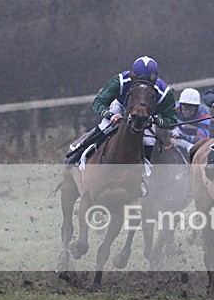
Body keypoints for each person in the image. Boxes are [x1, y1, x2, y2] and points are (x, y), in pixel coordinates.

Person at [64, 56, 178, 196]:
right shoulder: (120, 81)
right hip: (121, 107)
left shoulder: (165, 93)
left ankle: (141, 176)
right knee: (107, 127)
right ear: (132, 76)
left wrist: (157, 120)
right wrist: (109, 115)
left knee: (148, 139)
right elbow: (98, 102)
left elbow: (172, 118)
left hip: (148, 114)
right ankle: (78, 152)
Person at [171, 88, 211, 152]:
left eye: (191, 108)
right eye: (184, 108)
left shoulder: (204, 114)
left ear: (197, 107)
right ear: (180, 105)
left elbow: (203, 138)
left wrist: (185, 137)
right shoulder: (174, 108)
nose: (187, 111)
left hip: (195, 139)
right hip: (179, 134)